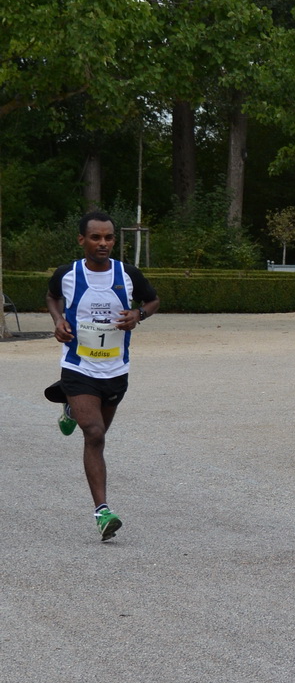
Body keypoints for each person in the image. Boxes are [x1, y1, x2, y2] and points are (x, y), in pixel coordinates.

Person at [45, 209, 160, 540]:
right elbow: (52, 297)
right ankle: (103, 512)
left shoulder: (128, 274)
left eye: (108, 237)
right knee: (93, 434)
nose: (103, 243)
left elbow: (153, 301)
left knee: (100, 434)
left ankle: (69, 408)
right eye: (95, 237)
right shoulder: (67, 274)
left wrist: (138, 314)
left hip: (116, 370)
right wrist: (58, 320)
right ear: (82, 240)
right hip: (78, 367)